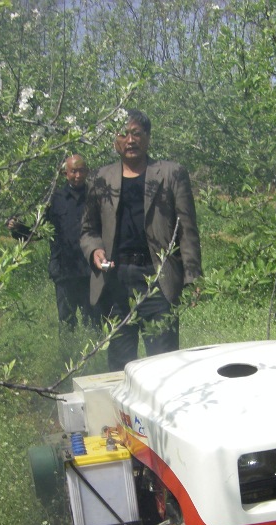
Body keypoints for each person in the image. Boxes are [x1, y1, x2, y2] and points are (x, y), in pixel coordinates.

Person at [80, 108, 202, 371]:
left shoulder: (171, 173)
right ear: (115, 140)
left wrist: (192, 277)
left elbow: (187, 230)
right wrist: (94, 251)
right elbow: (88, 229)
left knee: (164, 363)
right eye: (123, 134)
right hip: (116, 281)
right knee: (120, 363)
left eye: (136, 133)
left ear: (147, 137)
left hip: (157, 278)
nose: (130, 140)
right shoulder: (100, 179)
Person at [8, 155, 96, 332]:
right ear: (65, 174)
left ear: (87, 172)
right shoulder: (54, 200)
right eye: (73, 171)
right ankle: (68, 355)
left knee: (94, 323)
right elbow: (38, 232)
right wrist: (17, 228)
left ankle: (97, 357)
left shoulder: (95, 197)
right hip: (64, 271)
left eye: (81, 171)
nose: (78, 175)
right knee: (66, 323)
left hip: (90, 271)